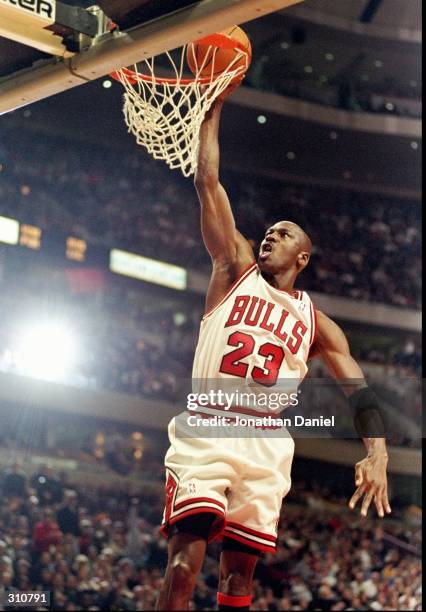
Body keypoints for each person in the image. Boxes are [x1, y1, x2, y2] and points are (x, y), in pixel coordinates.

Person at [156, 85, 391, 611]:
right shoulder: (233, 269)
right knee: (181, 567)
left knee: (238, 581)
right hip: (210, 425)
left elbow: (357, 388)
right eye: (267, 231)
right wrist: (212, 105)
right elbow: (207, 181)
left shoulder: (317, 323)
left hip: (266, 442)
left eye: (282, 234)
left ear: (303, 257)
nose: (269, 236)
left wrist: (377, 451)